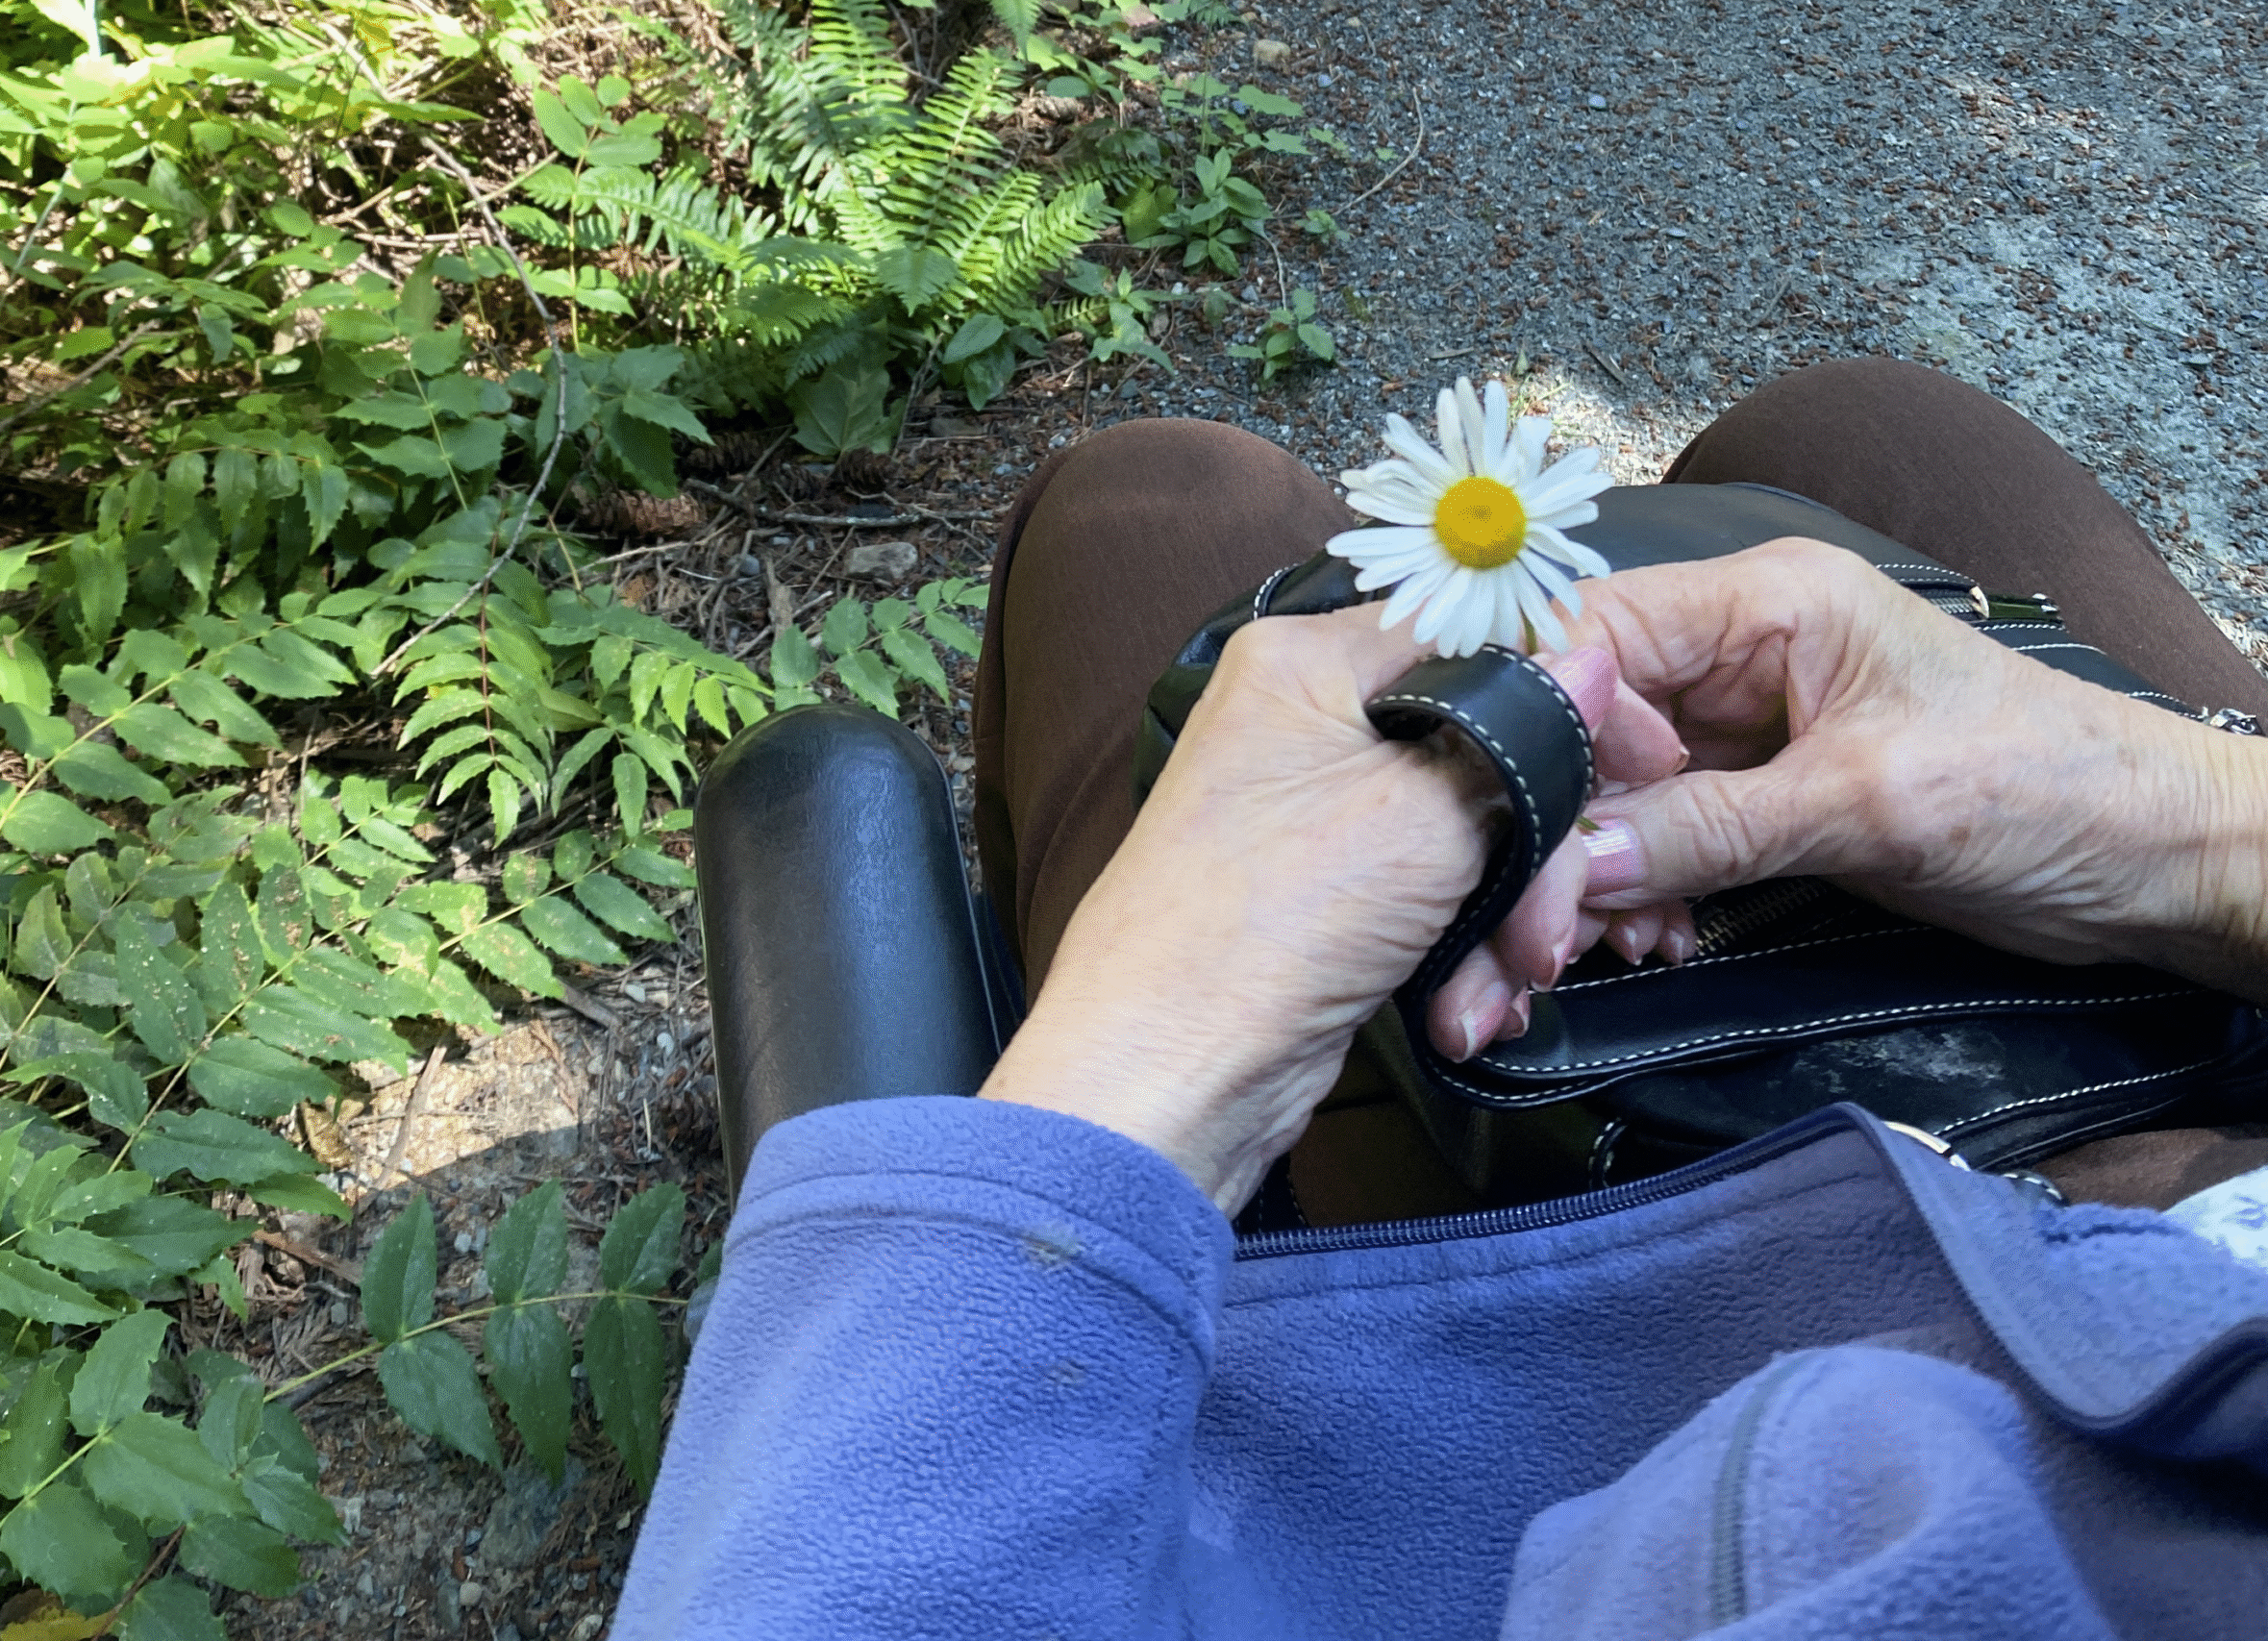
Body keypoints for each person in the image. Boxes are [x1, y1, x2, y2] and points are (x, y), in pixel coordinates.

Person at [607, 361, 2268, 1638]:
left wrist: (1159, 1043)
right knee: (1867, 424)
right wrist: (2196, 818)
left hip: (1593, 1417)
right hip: (2189, 1222)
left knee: (1157, 502)